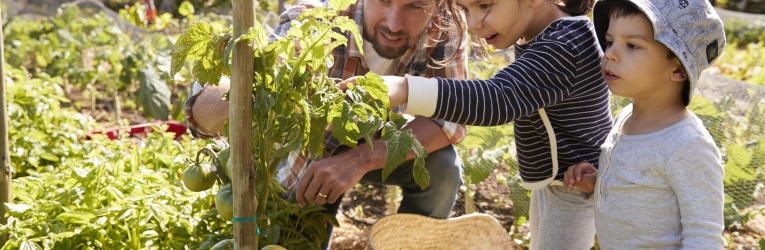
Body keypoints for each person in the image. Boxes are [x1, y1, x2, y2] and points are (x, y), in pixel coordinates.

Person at [184, 0, 469, 245]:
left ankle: (410, 246)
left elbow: (450, 120)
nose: (394, 24)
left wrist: (359, 160)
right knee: (296, 235)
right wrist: (238, 99)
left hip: (377, 141)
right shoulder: (317, 20)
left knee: (443, 168)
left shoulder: (446, 27)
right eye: (383, 0)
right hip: (309, 157)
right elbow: (219, 93)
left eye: (415, 5)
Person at [348, 0, 614, 248]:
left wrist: (406, 89)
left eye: (485, 5)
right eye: (465, 9)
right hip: (563, 183)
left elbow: (497, 99)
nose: (473, 23)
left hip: (579, 187)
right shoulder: (548, 35)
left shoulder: (564, 45)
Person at [562, 0, 727, 248]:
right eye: (609, 42)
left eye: (632, 45)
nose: (610, 54)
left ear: (679, 69)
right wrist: (598, 183)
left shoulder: (688, 146)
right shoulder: (625, 118)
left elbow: (705, 237)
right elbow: (643, 195)